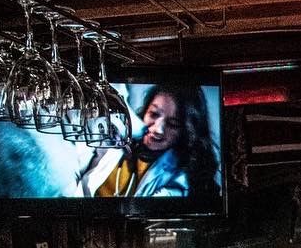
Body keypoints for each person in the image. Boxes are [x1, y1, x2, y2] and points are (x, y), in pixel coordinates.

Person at [84, 84, 220, 201]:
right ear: (145, 111)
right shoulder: (118, 143)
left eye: (172, 124)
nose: (157, 129)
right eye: (154, 114)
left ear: (186, 132)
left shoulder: (179, 181)